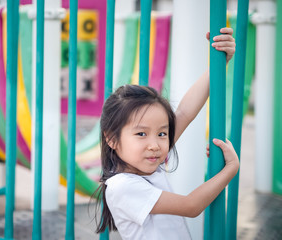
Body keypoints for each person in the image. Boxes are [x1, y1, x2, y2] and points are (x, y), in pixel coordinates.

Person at [95, 28, 237, 240]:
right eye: (141, 134)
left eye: (162, 133)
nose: (155, 144)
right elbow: (191, 206)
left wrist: (219, 63)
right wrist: (231, 169)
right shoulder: (122, 185)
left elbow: (185, 112)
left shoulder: (146, 163)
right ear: (112, 139)